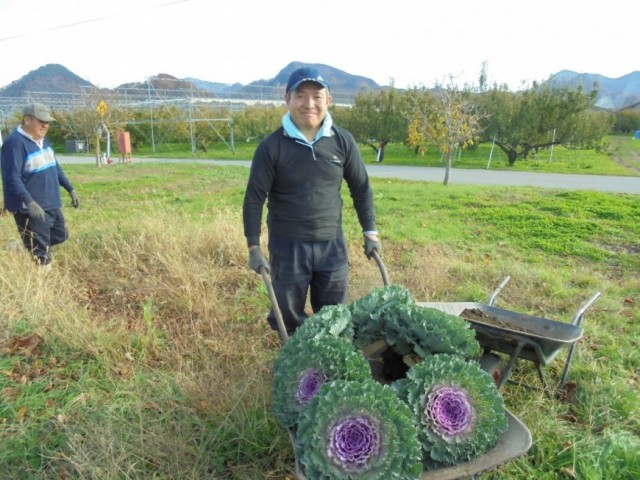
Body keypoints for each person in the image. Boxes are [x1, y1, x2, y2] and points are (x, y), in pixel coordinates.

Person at [242, 66, 381, 335]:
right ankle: (296, 363)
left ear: (328, 101)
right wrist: (253, 247)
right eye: (301, 96)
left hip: (332, 245)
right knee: (288, 315)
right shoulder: (272, 147)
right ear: (287, 99)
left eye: (317, 96)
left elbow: (361, 188)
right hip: (288, 247)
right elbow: (254, 198)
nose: (309, 104)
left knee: (334, 316)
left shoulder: (342, 141)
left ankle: (328, 363)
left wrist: (370, 232)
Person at [1, 102, 79, 266]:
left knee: (60, 235)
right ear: (27, 120)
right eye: (41, 121)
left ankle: (25, 246)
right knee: (43, 255)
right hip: (31, 207)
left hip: (51, 202)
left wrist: (70, 188)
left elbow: (55, 167)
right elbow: (12, 178)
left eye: (47, 122)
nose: (45, 125)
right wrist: (29, 202)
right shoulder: (14, 143)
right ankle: (43, 279)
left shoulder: (43, 141)